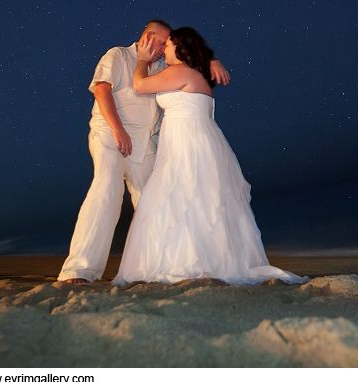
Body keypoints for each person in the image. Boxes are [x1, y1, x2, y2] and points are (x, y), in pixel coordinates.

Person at [112, 27, 306, 285]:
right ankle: (202, 257)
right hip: (199, 139)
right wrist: (211, 59)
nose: (164, 49)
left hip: (187, 142)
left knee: (182, 196)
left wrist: (142, 60)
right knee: (198, 199)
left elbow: (140, 85)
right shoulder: (195, 73)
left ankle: (185, 261)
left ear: (181, 48)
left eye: (168, 45)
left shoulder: (179, 72)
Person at [57, 19, 230, 284]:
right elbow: (102, 91)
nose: (163, 48)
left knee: (153, 203)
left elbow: (188, 68)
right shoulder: (119, 55)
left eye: (166, 45)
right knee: (106, 192)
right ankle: (79, 271)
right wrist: (118, 130)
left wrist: (211, 62)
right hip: (110, 135)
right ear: (148, 37)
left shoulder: (163, 65)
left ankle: (157, 267)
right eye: (161, 42)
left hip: (145, 144)